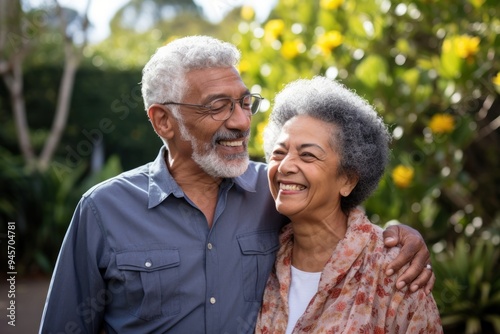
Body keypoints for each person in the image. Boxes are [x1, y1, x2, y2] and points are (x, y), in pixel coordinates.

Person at [39, 36, 434, 334]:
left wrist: (402, 238)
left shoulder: (276, 190)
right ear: (163, 121)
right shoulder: (104, 210)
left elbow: (340, 218)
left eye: (245, 102)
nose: (242, 122)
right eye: (218, 106)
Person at [255, 76, 442, 333]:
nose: (285, 166)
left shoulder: (395, 274)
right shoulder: (259, 257)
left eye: (307, 155)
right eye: (278, 152)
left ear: (348, 180)